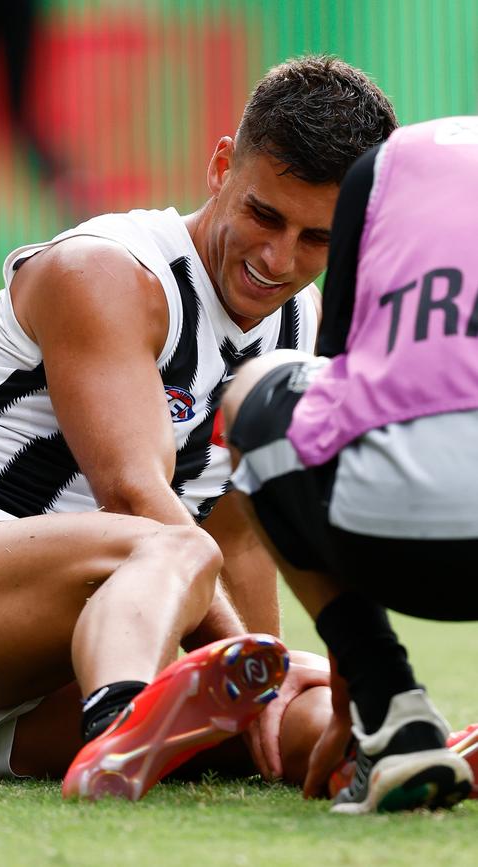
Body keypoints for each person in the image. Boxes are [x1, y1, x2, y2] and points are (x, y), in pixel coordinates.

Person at [0, 55, 396, 799]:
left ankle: (400, 755)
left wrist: (277, 692)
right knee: (173, 547)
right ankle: (123, 716)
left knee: (301, 725)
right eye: (264, 214)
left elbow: (240, 537)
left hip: (41, 684)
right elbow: (134, 497)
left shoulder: (300, 323)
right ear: (222, 165)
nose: (278, 258)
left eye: (316, 238)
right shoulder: (108, 273)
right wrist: (261, 666)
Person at [222, 115, 478, 814]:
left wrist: (350, 701)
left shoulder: (392, 161)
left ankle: (391, 709)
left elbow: (333, 396)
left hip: (384, 539)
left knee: (260, 384)